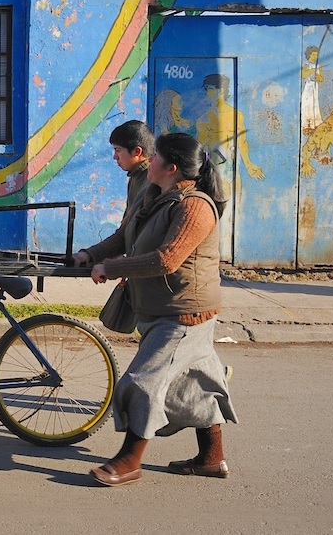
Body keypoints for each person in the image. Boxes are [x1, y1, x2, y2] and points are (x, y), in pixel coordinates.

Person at [72, 132, 237, 487]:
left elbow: (167, 259)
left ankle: (130, 460)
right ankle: (211, 458)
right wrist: (91, 255)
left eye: (156, 155)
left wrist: (112, 269)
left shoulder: (195, 207)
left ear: (172, 168)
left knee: (142, 383)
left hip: (183, 315)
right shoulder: (154, 196)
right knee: (193, 385)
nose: (150, 159)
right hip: (162, 310)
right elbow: (124, 237)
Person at [109, 120, 154, 218]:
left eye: (118, 150)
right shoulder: (135, 176)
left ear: (137, 151)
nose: (115, 157)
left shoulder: (153, 179)